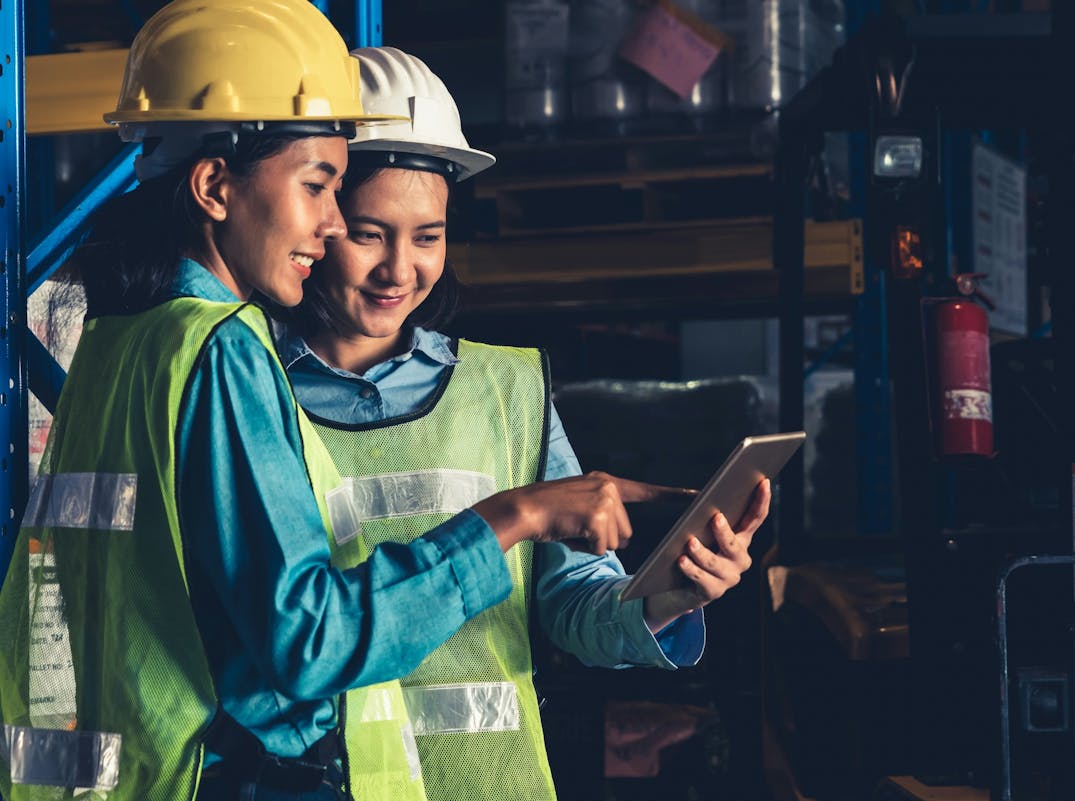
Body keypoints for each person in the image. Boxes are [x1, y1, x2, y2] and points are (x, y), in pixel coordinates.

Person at [0, 5, 677, 801]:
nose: (326, 225)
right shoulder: (222, 350)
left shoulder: (120, 343)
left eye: (428, 234)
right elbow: (307, 639)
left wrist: (665, 592)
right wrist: (514, 515)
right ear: (215, 185)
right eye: (323, 190)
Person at [280, 46, 772, 801]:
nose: (400, 270)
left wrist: (673, 593)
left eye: (428, 237)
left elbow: (575, 605)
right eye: (370, 234)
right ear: (318, 221)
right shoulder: (251, 389)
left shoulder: (507, 392)